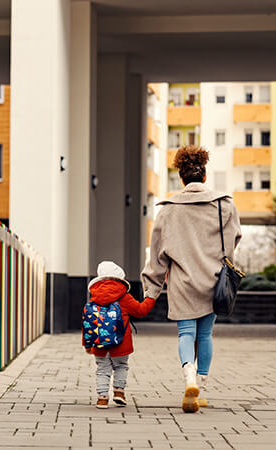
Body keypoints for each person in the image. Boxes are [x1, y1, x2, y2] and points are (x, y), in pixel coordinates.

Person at [141, 145, 242, 413]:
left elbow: (157, 255)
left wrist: (151, 290)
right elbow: (234, 241)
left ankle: (189, 377)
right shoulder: (224, 204)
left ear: (181, 178)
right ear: (205, 176)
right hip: (213, 281)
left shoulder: (168, 210)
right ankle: (202, 387)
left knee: (187, 333)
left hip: (182, 284)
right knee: (206, 333)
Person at [83, 261, 156, 409]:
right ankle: (119, 392)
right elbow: (141, 310)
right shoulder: (124, 297)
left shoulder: (93, 298)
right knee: (121, 366)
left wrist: (87, 344)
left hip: (99, 342)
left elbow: (88, 322)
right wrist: (151, 298)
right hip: (121, 343)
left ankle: (102, 398)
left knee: (102, 370)